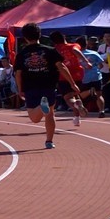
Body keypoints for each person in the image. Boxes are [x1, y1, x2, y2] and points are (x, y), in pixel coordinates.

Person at [13, 22, 78, 150]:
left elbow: (18, 73)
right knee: (50, 114)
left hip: (31, 87)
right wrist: (72, 83)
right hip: (48, 86)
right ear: (40, 35)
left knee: (35, 118)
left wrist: (20, 89)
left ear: (25, 38)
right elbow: (62, 66)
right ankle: (49, 141)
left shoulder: (22, 54)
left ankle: (42, 108)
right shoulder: (49, 50)